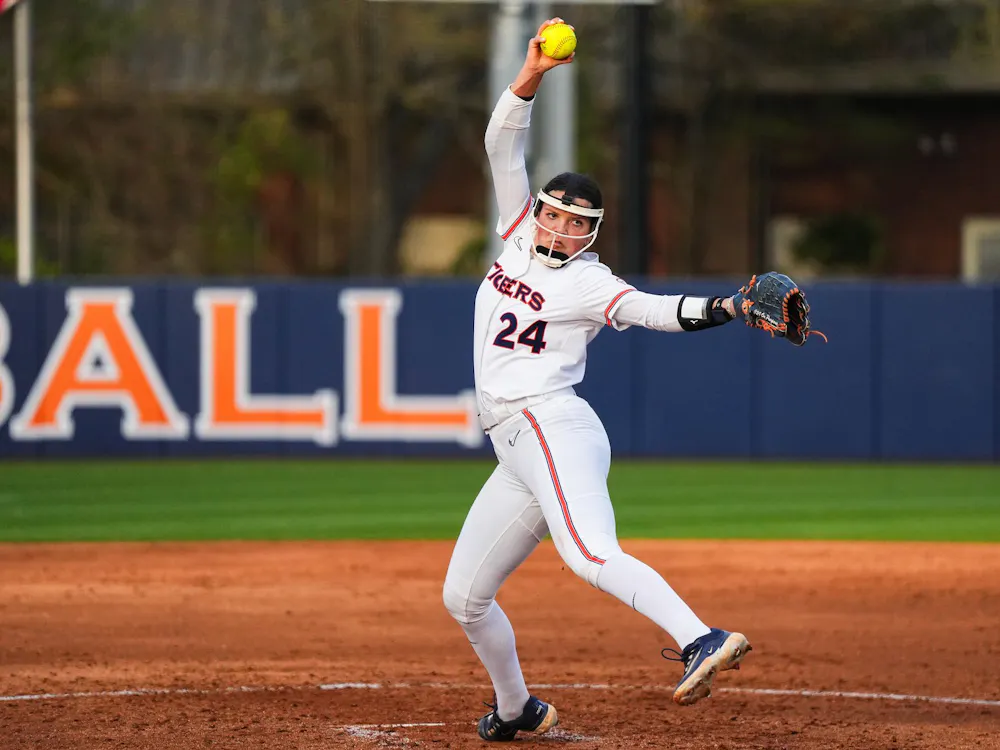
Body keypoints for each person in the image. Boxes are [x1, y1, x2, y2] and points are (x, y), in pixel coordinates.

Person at [442, 18, 752, 742]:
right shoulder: (514, 229)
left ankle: (702, 637)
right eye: (552, 212)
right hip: (515, 444)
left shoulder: (588, 282)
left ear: (591, 232)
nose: (555, 225)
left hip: (551, 423)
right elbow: (499, 143)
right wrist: (530, 77)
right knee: (465, 597)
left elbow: (652, 311)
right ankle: (519, 708)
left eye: (572, 220)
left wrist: (727, 307)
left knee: (588, 554)